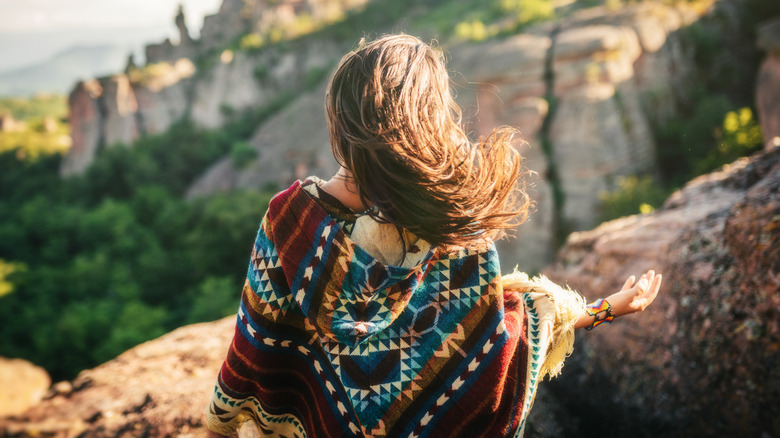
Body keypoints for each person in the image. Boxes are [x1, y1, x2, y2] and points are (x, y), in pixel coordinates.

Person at [204, 34, 662, 437]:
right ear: (429, 121)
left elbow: (256, 347)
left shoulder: (290, 221)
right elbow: (499, 339)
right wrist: (606, 310)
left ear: (338, 120)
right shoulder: (450, 221)